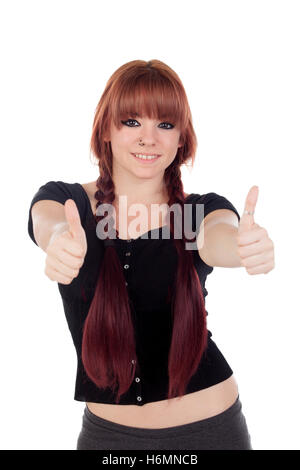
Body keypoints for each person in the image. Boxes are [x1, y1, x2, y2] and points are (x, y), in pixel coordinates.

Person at [28, 59, 274, 450]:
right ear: (106, 128)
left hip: (209, 432)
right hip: (108, 438)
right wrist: (59, 240)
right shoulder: (65, 201)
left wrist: (243, 247)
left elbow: (218, 236)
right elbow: (48, 223)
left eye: (165, 124)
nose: (149, 138)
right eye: (131, 122)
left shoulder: (199, 211)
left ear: (181, 138)